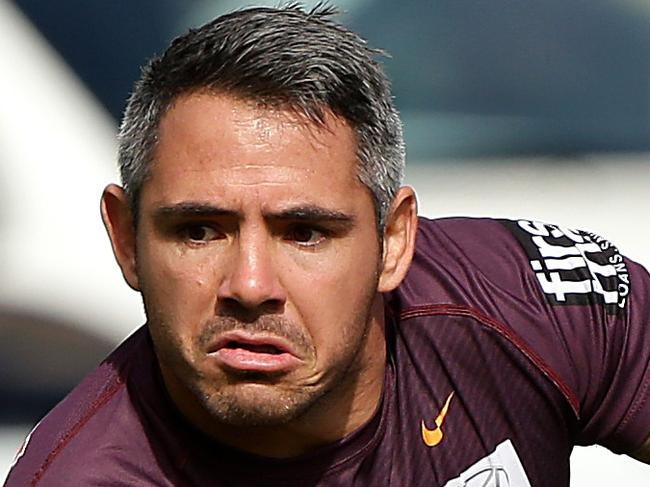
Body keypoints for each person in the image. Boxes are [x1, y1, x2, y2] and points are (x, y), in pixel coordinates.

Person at [5, 5, 649, 486]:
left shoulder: (532, 301)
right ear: (126, 239)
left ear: (394, 240)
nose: (250, 286)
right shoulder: (88, 476)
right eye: (198, 230)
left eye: (305, 233)